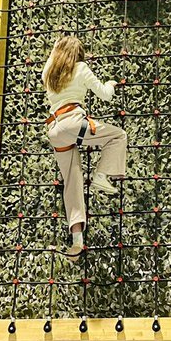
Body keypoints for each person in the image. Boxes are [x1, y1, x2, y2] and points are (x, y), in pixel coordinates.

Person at [42, 35, 127, 260]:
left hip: (55, 130)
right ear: (78, 54)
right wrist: (110, 84)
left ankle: (77, 241)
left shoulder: (49, 71)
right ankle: (101, 175)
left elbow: (53, 56)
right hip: (74, 122)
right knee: (118, 136)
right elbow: (105, 95)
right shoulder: (81, 68)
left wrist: (57, 47)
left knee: (72, 181)